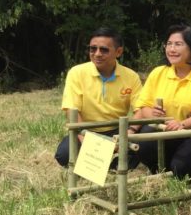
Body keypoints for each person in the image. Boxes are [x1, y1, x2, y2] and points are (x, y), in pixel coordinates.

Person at [132, 24, 191, 179]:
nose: (171, 49)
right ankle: (164, 170)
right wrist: (153, 113)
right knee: (143, 144)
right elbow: (143, 107)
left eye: (178, 44)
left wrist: (182, 124)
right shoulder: (158, 73)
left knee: (182, 168)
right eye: (169, 44)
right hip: (165, 131)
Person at [55, 27, 142, 168]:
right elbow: (71, 110)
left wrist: (128, 133)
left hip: (118, 131)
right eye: (92, 49)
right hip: (86, 129)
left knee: (145, 142)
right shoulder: (76, 73)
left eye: (104, 50)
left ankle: (114, 166)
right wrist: (85, 138)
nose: (97, 54)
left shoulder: (131, 76)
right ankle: (105, 161)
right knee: (64, 155)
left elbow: (141, 110)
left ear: (118, 52)